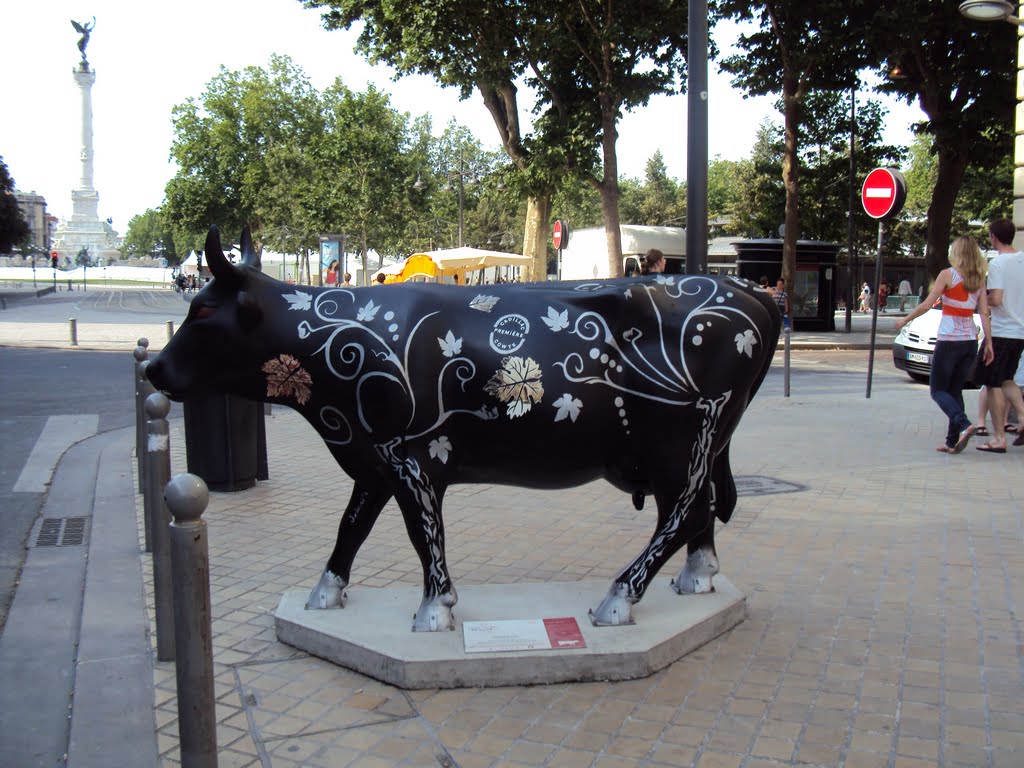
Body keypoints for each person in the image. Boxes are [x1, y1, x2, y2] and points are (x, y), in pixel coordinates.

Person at [896, 235, 993, 454]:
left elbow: (927, 305)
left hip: (949, 340)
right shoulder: (979, 278)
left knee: (938, 390)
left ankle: (964, 424)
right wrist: (989, 343)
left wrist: (905, 320)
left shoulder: (947, 275)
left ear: (957, 252)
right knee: (954, 390)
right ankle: (951, 442)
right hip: (970, 341)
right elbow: (985, 312)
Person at [974, 218, 1024, 453]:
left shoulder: (997, 264)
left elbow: (996, 299)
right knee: (1007, 379)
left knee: (992, 382)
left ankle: (999, 439)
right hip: (1020, 331)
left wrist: (980, 296)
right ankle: (1023, 419)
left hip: (1002, 331)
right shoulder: (1023, 259)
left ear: (993, 237)